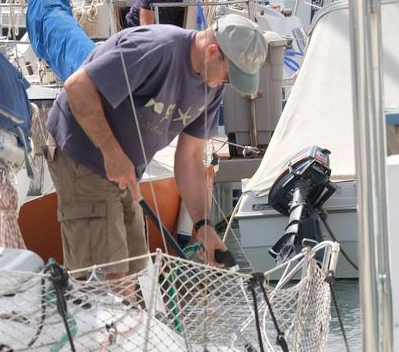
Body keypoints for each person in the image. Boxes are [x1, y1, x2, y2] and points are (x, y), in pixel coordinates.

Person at [45, 14, 268, 278]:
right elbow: (77, 86)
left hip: (124, 167)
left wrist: (204, 225)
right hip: (82, 151)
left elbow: (190, 157)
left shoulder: (212, 84)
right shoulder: (156, 48)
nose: (225, 84)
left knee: (138, 272)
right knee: (109, 276)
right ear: (212, 52)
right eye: (230, 78)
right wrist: (111, 153)